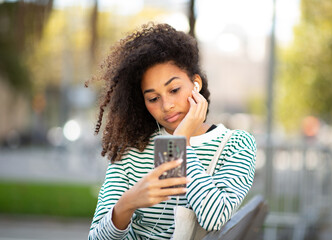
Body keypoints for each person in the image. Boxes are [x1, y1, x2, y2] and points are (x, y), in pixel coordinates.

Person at [87, 22, 256, 240]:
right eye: (153, 98)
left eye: (174, 90)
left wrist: (180, 143)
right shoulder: (131, 149)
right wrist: (127, 204)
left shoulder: (236, 144)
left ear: (195, 84)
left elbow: (214, 217)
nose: (166, 106)